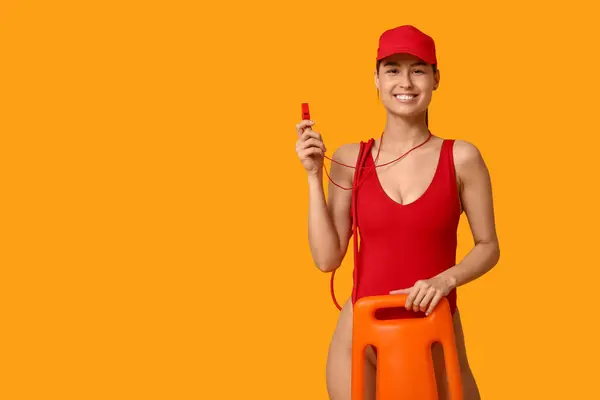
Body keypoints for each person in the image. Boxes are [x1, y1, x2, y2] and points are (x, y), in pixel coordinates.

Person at [295, 25, 500, 399]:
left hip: (435, 336)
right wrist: (312, 175)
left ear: (436, 79)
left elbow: (488, 246)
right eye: (392, 69)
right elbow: (326, 259)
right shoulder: (348, 160)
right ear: (375, 78)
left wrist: (444, 281)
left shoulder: (462, 158)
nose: (405, 81)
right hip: (360, 339)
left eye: (418, 69)